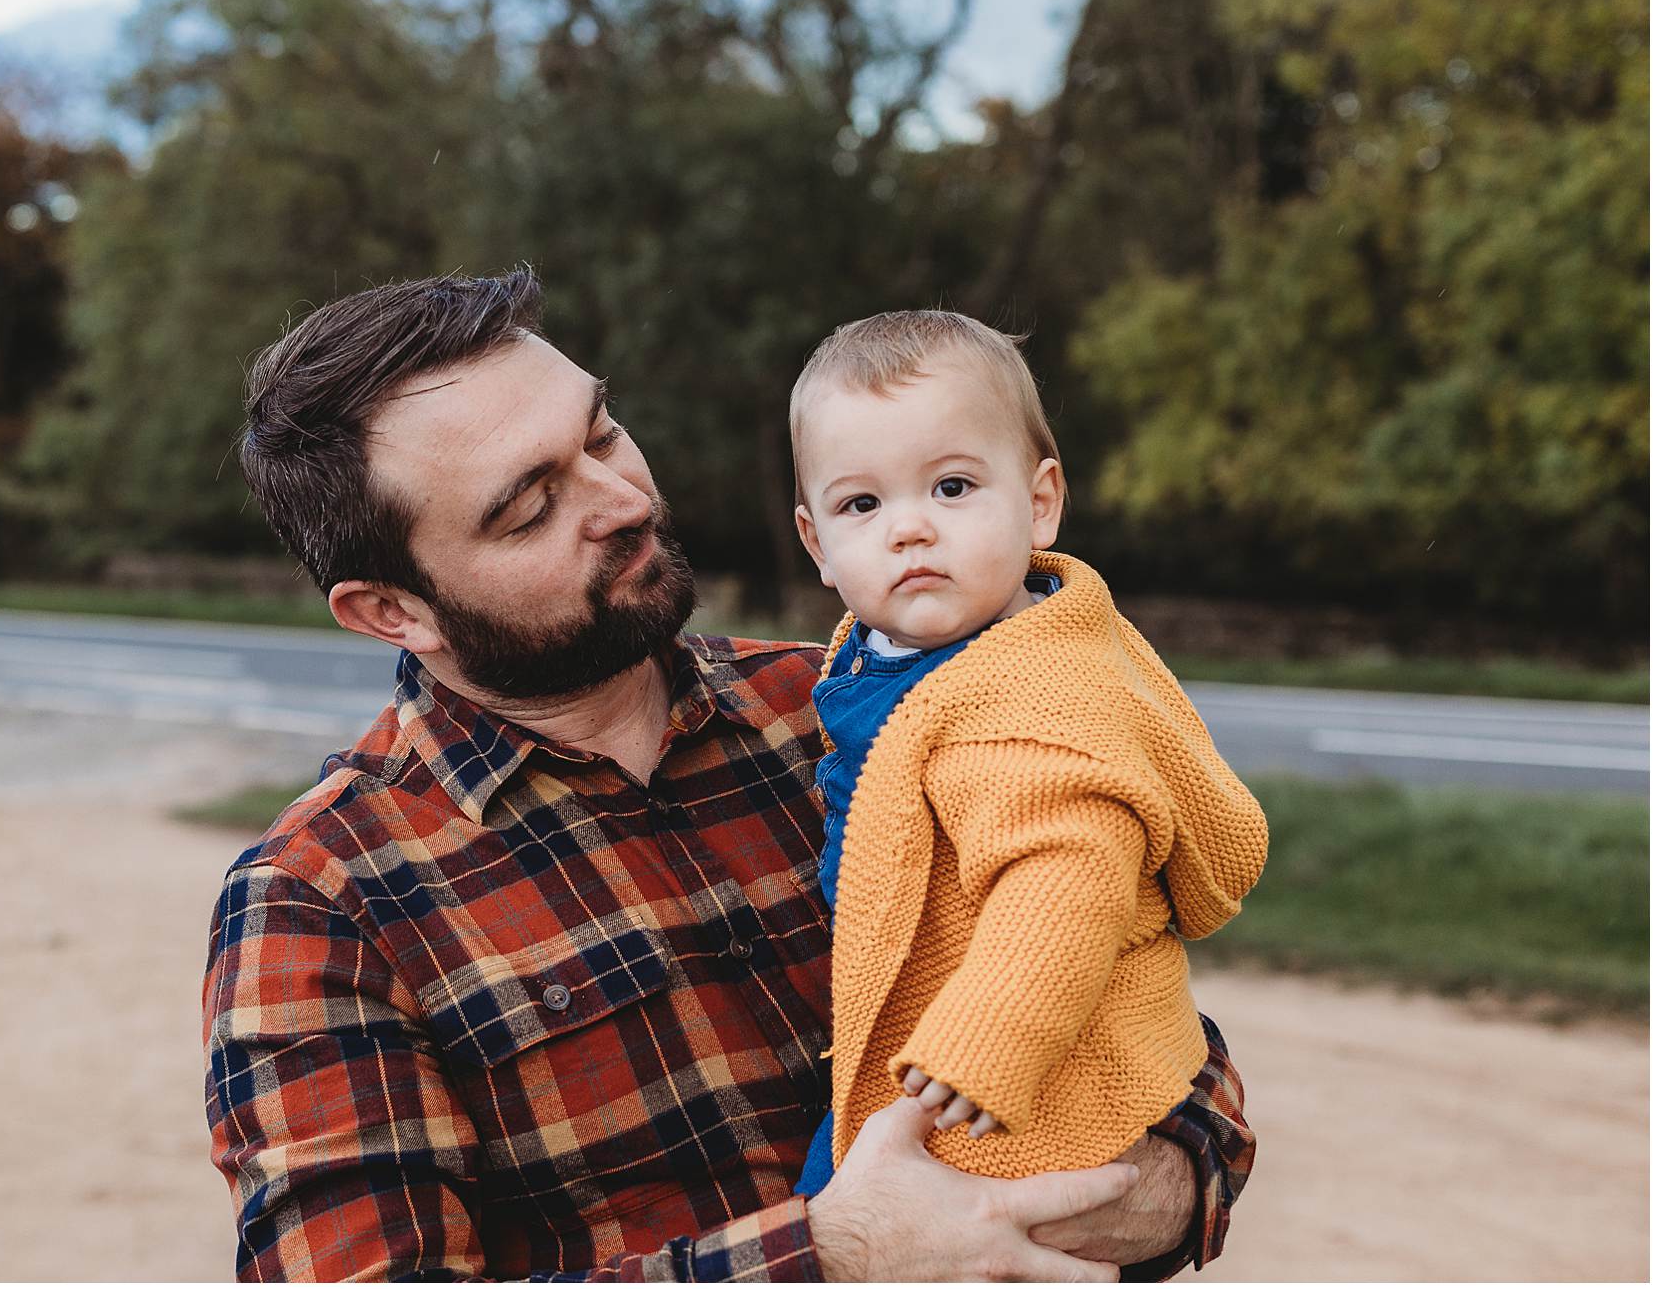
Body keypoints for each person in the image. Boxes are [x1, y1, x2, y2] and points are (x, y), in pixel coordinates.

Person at [202, 268, 1255, 1282]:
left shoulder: (864, 711)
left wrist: (1112, 1193)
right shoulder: (320, 904)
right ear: (396, 611)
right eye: (531, 506)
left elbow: (1163, 1053)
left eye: (602, 432)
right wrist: (832, 1262)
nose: (620, 497)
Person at [782, 310, 1267, 1202]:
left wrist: (991, 1036)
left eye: (953, 487)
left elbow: (1071, 874)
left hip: (1007, 1081)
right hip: (926, 1041)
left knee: (872, 1213)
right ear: (819, 543)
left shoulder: (1029, 696)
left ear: (1039, 501)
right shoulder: (878, 657)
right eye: (863, 504)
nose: (910, 529)